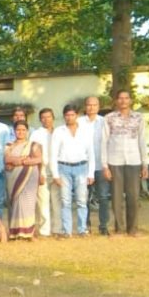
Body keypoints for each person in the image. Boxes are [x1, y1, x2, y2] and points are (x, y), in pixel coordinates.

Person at [51, 104, 96, 237]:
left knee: (82, 201)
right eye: (67, 115)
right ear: (64, 116)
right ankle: (67, 231)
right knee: (66, 201)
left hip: (82, 167)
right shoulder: (59, 131)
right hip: (63, 168)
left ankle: (82, 229)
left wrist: (91, 173)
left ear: (77, 115)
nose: (69, 117)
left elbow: (91, 153)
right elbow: (53, 153)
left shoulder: (85, 131)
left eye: (72, 115)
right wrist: (55, 174)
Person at [4, 120, 42, 240]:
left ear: (27, 131)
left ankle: (29, 233)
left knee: (28, 204)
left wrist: (21, 161)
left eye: (23, 130)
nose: (20, 132)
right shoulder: (9, 146)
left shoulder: (33, 145)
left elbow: (39, 159)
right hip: (13, 178)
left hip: (30, 178)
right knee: (15, 204)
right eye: (18, 130)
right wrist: (24, 159)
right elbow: (7, 160)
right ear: (14, 131)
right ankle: (15, 233)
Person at [79, 96, 111, 235]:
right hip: (84, 166)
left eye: (94, 105)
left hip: (101, 165)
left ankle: (103, 226)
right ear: (85, 106)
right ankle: (85, 225)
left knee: (103, 197)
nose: (91, 107)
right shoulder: (79, 122)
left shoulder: (105, 122)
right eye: (89, 105)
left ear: (99, 107)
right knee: (84, 198)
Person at [30, 108, 61, 238]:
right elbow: (33, 153)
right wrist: (39, 172)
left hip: (58, 170)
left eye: (48, 117)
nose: (46, 119)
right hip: (42, 169)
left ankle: (57, 229)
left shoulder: (59, 132)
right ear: (40, 119)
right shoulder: (36, 134)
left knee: (57, 201)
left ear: (53, 118)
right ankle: (44, 230)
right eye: (43, 117)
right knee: (43, 202)